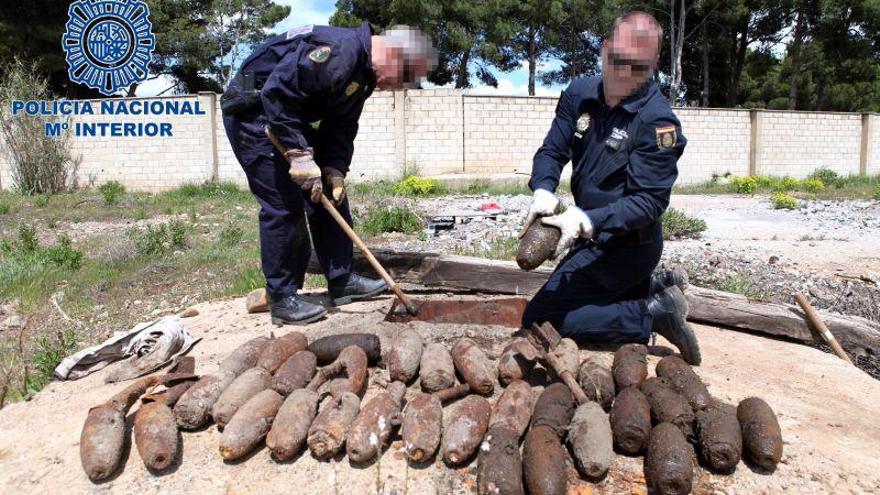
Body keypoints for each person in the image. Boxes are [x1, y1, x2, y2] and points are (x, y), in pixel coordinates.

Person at [221, 23, 435, 326]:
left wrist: (334, 168)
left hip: (287, 117)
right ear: (392, 53)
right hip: (255, 113)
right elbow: (278, 93)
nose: (400, 86)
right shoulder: (341, 51)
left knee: (331, 195)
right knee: (284, 204)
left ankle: (341, 279)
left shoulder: (363, 75)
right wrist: (299, 155)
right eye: (405, 76)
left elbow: (342, 125)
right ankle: (282, 297)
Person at [520, 12, 701, 364]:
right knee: (563, 297)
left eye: (638, 67)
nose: (623, 73)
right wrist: (543, 188)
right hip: (590, 242)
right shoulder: (579, 93)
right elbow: (552, 150)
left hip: (629, 247)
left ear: (653, 64)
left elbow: (649, 202)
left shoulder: (658, 122)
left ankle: (652, 312)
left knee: (540, 319)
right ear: (604, 49)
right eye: (617, 60)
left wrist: (586, 220)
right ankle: (652, 285)